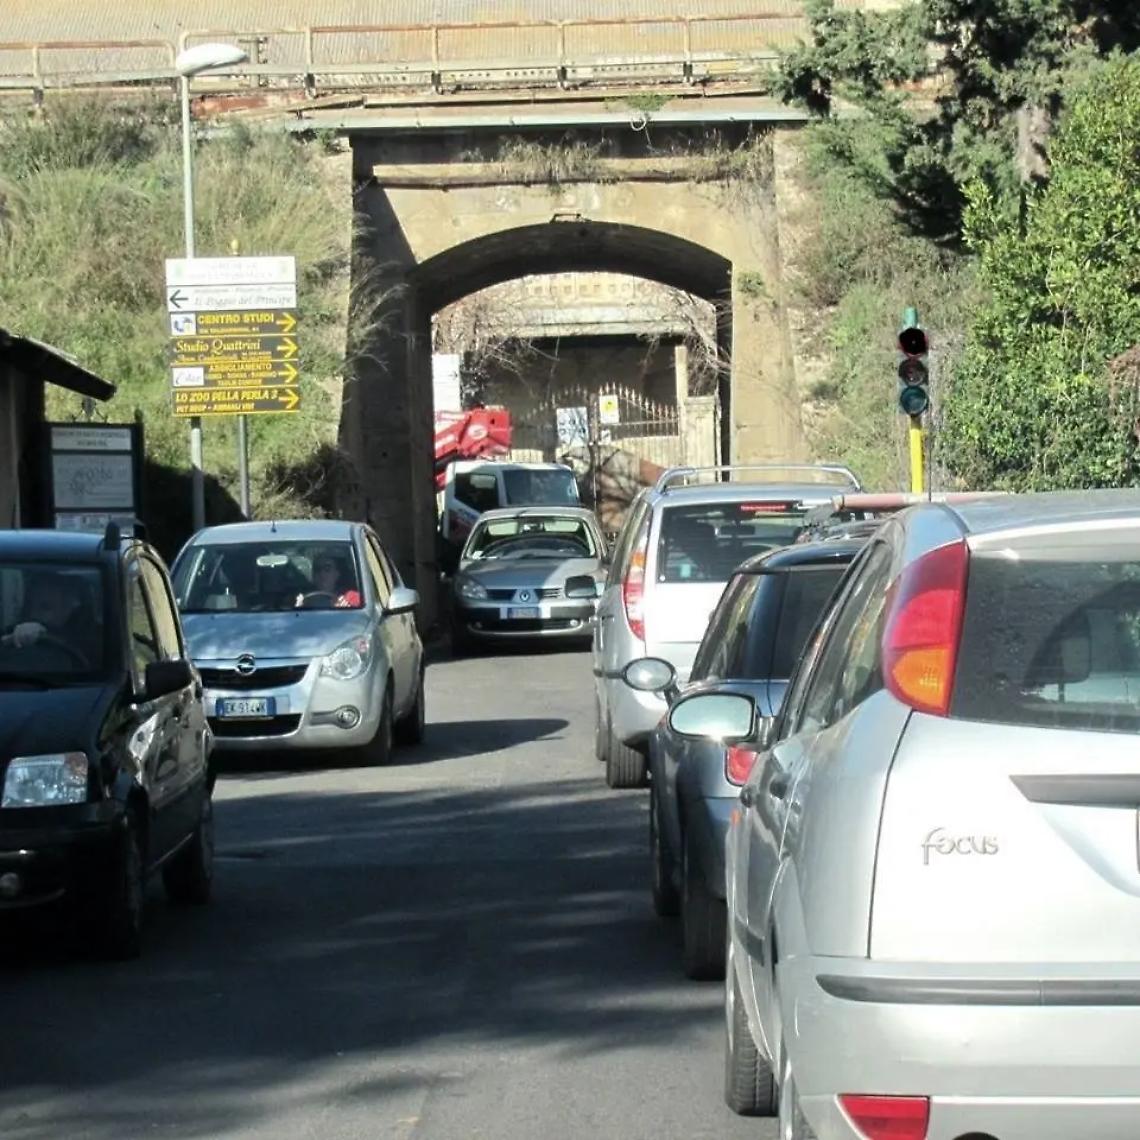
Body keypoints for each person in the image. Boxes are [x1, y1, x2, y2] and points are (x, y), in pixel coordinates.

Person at [0, 572, 100, 668]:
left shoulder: (95, 640)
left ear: (68, 607)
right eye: (30, 605)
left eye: (45, 607)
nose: (34, 613)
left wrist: (45, 634)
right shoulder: (14, 631)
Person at [296, 553, 362, 609]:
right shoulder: (306, 601)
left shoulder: (351, 598)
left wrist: (345, 610)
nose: (322, 574)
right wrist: (299, 609)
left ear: (337, 573)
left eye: (327, 569)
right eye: (317, 569)